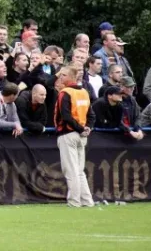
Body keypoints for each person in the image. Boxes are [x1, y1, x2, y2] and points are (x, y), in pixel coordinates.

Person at [53, 66, 96, 208]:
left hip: (68, 134)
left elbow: (65, 116)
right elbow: (91, 115)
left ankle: (74, 202)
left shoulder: (65, 93)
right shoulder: (84, 92)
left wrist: (81, 128)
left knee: (71, 170)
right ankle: (87, 201)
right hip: (81, 135)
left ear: (72, 77)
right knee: (79, 171)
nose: (61, 78)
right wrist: (87, 128)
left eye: (64, 75)